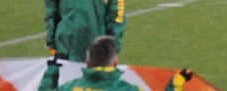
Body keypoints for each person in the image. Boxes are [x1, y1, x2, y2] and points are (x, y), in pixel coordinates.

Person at [55, 36, 192, 91]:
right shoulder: (127, 89)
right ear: (115, 62)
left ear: (88, 62)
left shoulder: (67, 88)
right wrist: (177, 81)